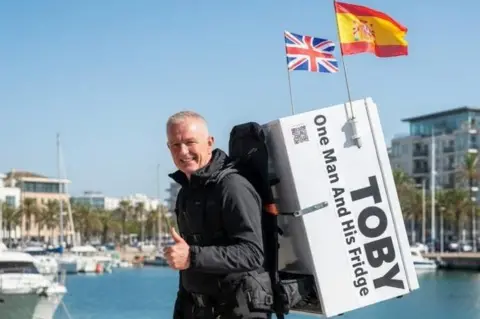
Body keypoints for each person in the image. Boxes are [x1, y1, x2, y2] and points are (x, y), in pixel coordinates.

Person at [164, 111, 274, 319]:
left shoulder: (232, 187)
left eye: (190, 142)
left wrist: (192, 256)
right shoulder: (186, 192)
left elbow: (252, 253)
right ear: (168, 148)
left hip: (239, 312)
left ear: (209, 142)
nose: (184, 152)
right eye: (176, 145)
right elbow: (189, 269)